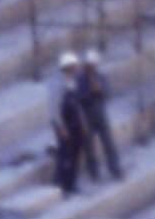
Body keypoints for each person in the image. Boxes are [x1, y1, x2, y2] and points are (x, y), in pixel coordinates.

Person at [70, 52, 125, 185]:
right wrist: (90, 92)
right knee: (89, 146)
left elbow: (107, 93)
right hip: (87, 114)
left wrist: (99, 90)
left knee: (108, 142)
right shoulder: (79, 80)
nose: (90, 68)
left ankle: (115, 168)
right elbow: (78, 97)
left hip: (100, 113)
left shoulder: (101, 77)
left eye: (92, 65)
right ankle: (94, 171)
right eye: (88, 65)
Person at [48, 55, 90, 196]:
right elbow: (54, 109)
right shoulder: (57, 84)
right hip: (64, 124)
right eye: (74, 66)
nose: (76, 68)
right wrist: (61, 127)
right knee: (64, 155)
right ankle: (60, 184)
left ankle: (71, 184)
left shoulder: (72, 82)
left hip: (75, 122)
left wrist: (83, 122)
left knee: (75, 154)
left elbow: (77, 105)